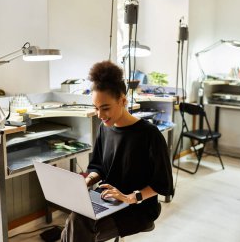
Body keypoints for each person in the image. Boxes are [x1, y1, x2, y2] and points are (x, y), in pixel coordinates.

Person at [61, 61, 173, 242]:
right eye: (96, 108)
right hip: (108, 197)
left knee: (78, 229)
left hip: (137, 206)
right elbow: (99, 167)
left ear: (123, 100)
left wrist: (130, 197)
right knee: (75, 220)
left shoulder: (149, 134)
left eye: (105, 108)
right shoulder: (105, 128)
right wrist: (87, 181)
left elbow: (163, 184)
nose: (100, 115)